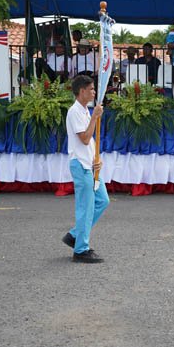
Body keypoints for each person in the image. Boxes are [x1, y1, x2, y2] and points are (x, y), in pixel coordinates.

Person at [61, 75, 109, 263]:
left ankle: (75, 235)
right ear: (82, 91)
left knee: (102, 200)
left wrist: (97, 159)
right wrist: (95, 117)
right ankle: (81, 250)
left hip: (89, 164)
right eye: (91, 89)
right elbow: (85, 138)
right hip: (81, 165)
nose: (94, 92)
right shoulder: (74, 112)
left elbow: (89, 141)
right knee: (85, 208)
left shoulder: (84, 111)